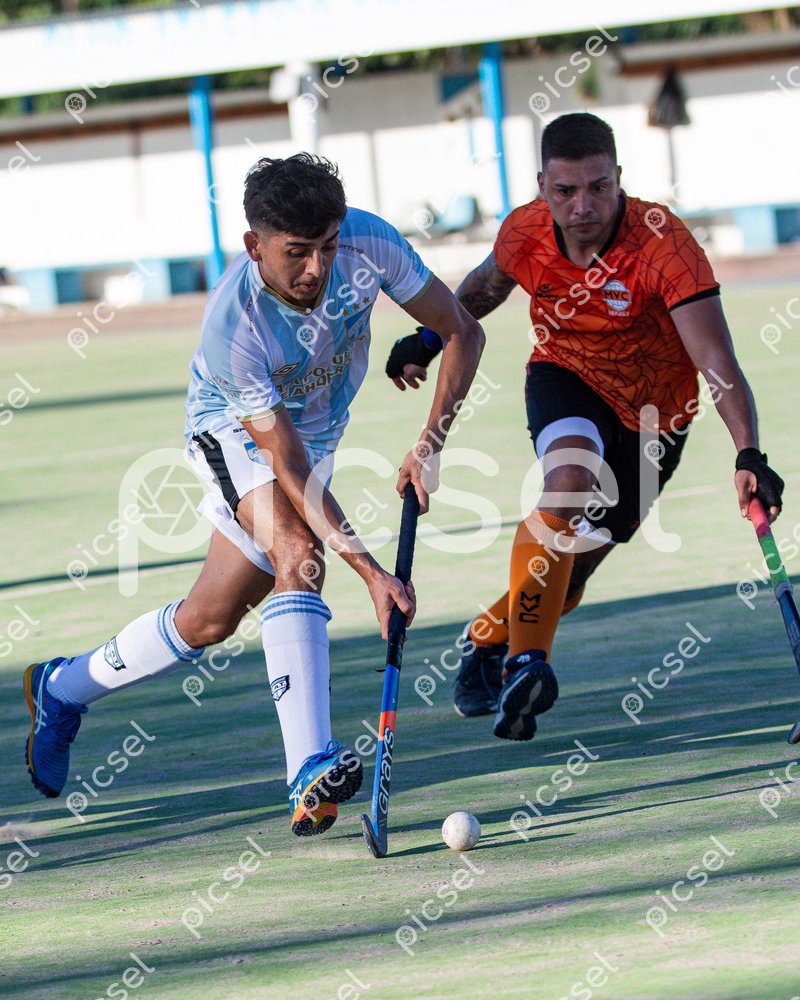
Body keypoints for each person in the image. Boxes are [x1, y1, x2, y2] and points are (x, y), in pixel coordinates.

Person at [24, 154, 484, 835]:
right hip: (235, 428)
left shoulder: (370, 242)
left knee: (210, 619)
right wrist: (372, 573)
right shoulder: (232, 327)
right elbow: (286, 463)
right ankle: (308, 771)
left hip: (315, 434)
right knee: (299, 553)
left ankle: (62, 688)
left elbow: (462, 329)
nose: (316, 269)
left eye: (327, 247)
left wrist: (430, 442)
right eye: (297, 252)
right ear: (254, 245)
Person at [385, 112, 784, 740]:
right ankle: (526, 663)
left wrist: (749, 453)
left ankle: (487, 637)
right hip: (566, 376)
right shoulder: (526, 230)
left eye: (599, 187)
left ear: (619, 177)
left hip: (657, 418)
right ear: (542, 186)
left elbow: (716, 359)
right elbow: (487, 286)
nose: (583, 206)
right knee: (567, 484)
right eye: (565, 190)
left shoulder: (664, 244)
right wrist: (430, 337)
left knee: (569, 574)